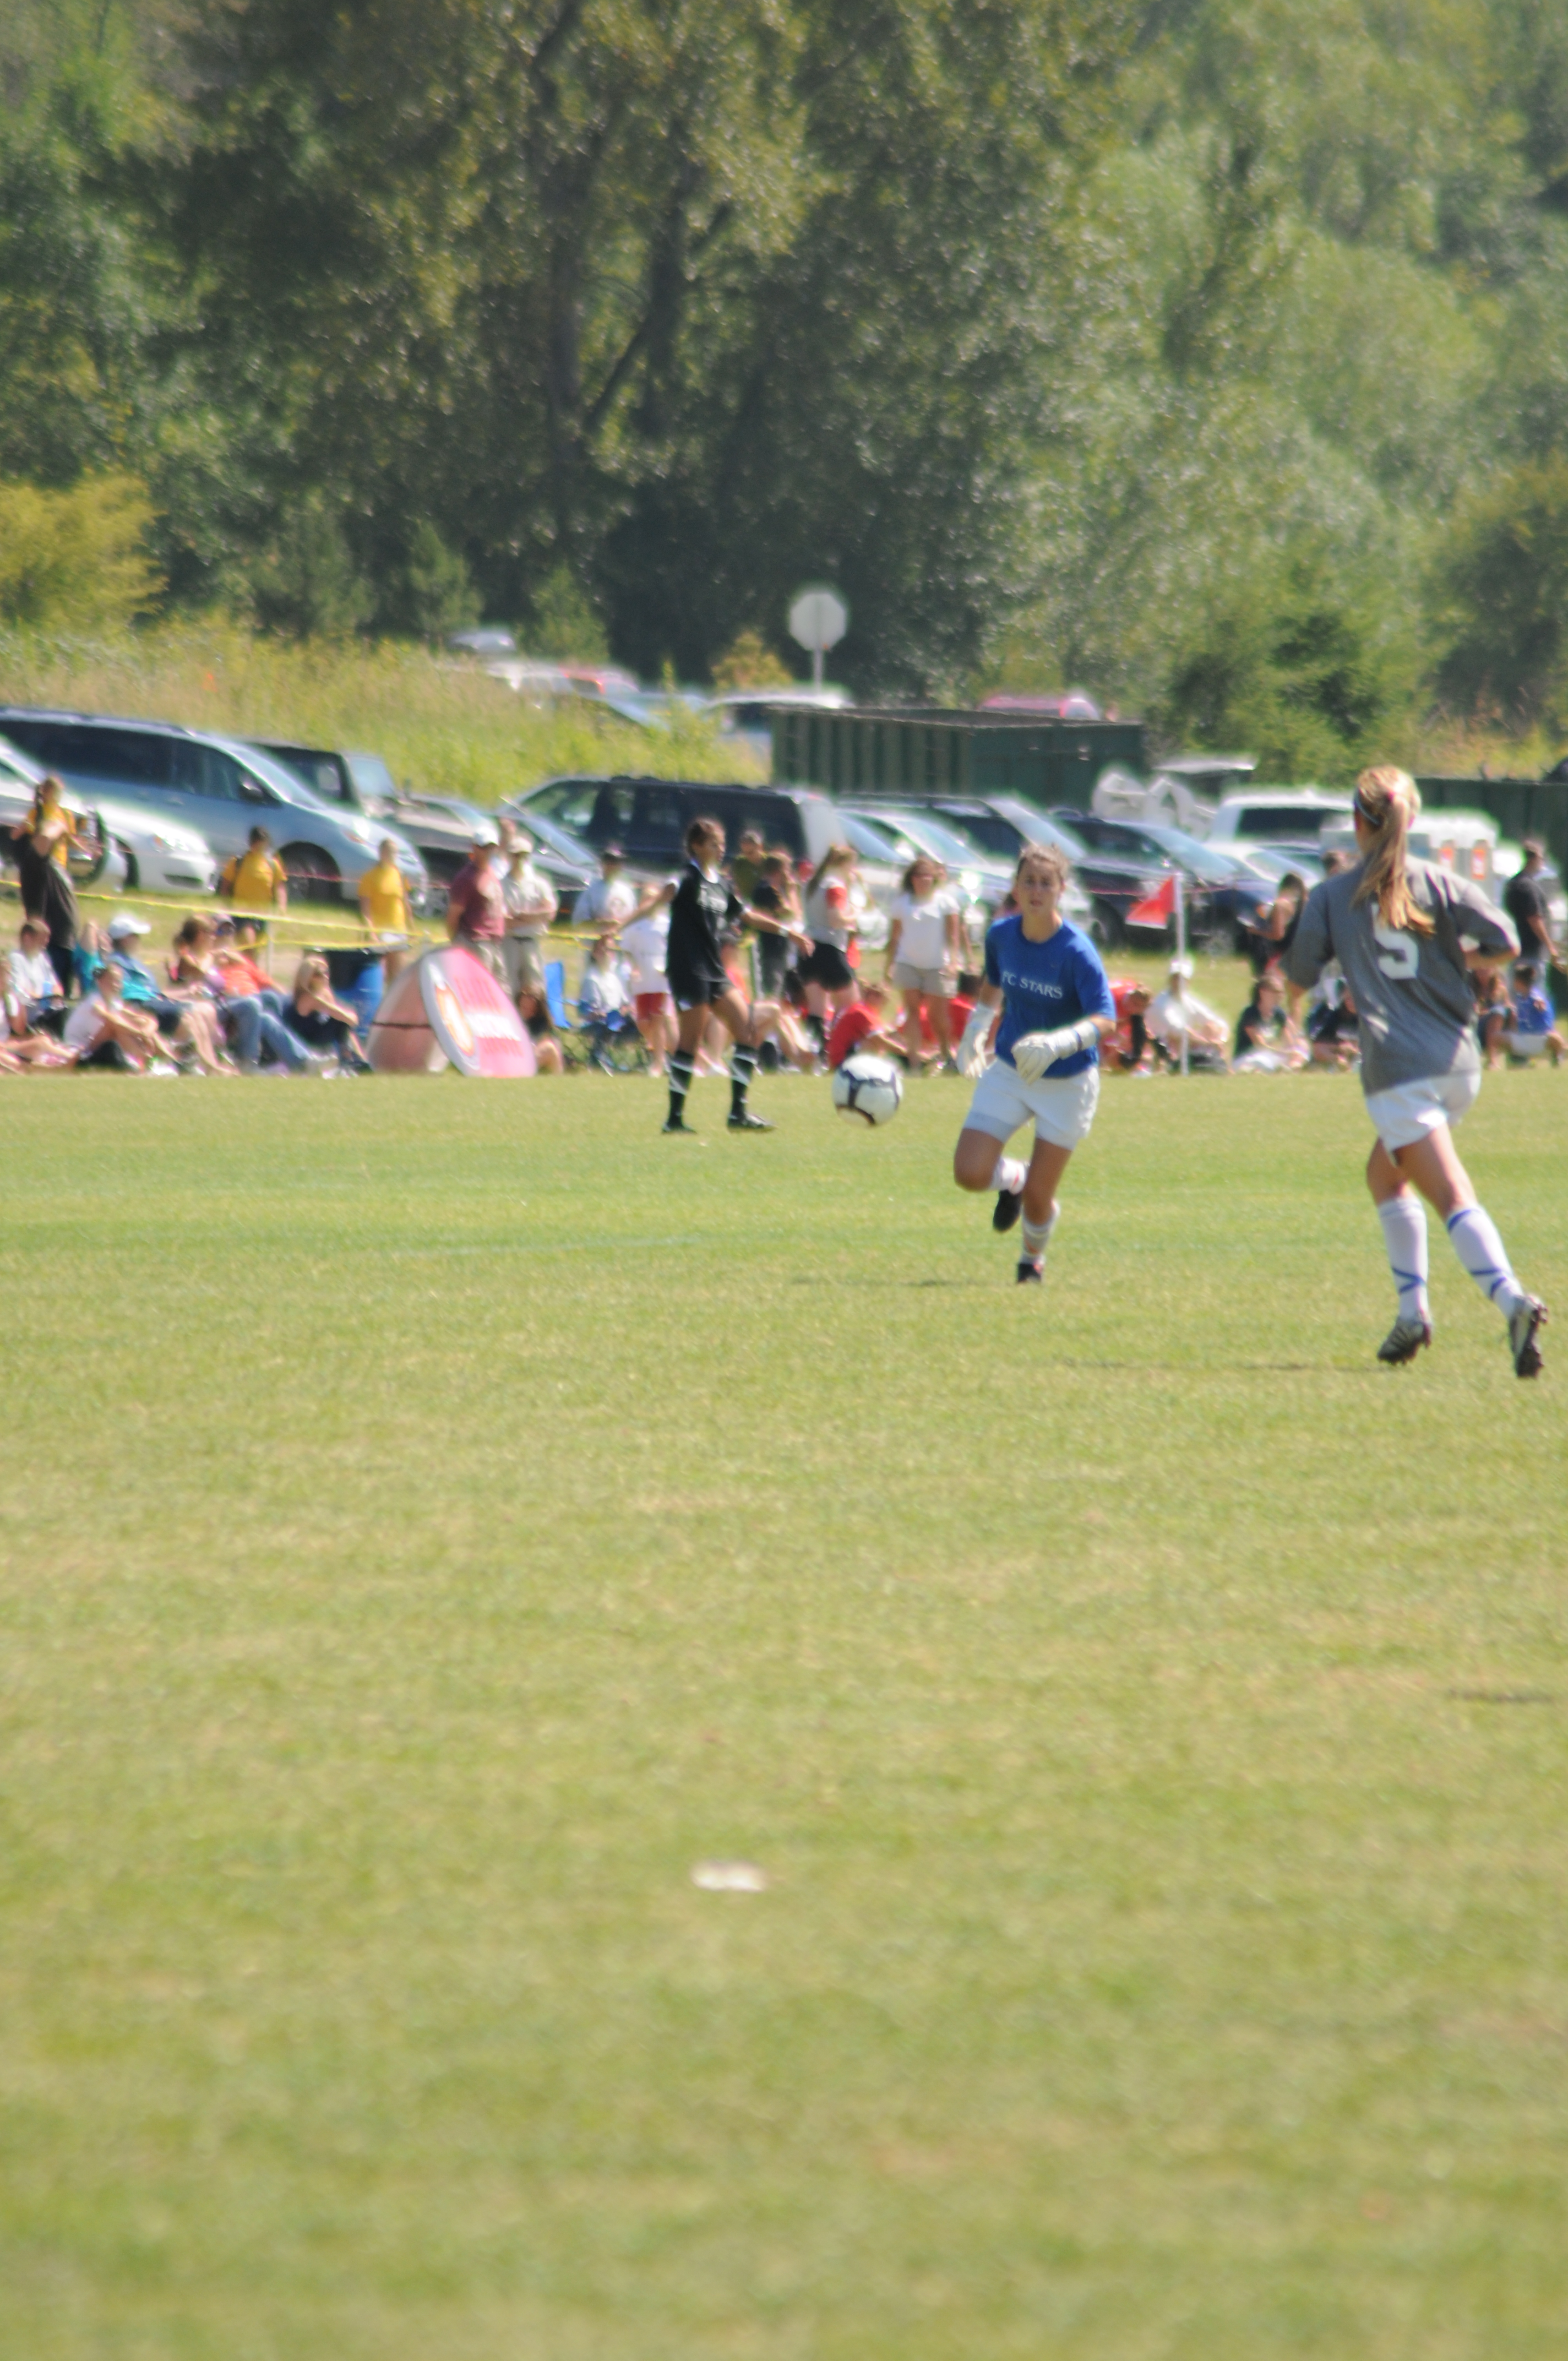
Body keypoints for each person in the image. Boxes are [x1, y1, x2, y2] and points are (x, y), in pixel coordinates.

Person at [1286, 764, 1547, 1376]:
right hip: (1458, 1063)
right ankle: (1412, 1315)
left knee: (1452, 1195)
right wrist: (1461, 957)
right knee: (1384, 1175)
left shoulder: (1334, 895)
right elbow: (1508, 944)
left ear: (1358, 822)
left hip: (1400, 1071)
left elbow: (1298, 973)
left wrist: (1306, 995)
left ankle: (1512, 1301)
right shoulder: (1442, 882)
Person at [951, 841, 1115, 1284]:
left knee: (1041, 1200)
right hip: (1011, 1070)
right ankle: (1015, 1180)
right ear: (1016, 887)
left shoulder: (1076, 950)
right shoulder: (1001, 935)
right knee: (969, 1172)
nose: (1037, 890)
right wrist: (976, 1029)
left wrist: (1060, 1042)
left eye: (1046, 883)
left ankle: (1030, 1261)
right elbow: (994, 980)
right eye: (1029, 881)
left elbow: (1106, 1018)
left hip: (1067, 1080)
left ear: (1061, 890)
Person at [661, 815, 810, 1133]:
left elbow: (749, 916)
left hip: (714, 970)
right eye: (714, 843)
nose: (721, 848)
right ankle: (674, 1119)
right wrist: (623, 923)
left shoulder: (722, 884)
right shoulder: (688, 877)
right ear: (697, 846)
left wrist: (789, 931)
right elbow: (663, 893)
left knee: (748, 1031)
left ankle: (738, 1114)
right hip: (689, 969)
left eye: (722, 842)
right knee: (690, 1042)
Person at [79, 913, 233, 1073]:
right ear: (125, 939)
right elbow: (88, 948)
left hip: (152, 1002)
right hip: (134, 1005)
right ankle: (203, 1064)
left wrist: (186, 992)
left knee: (202, 1008)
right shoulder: (106, 964)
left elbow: (158, 995)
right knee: (191, 1014)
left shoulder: (138, 965)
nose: (138, 941)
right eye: (135, 936)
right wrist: (94, 926)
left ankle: (210, 1063)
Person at [885, 856, 962, 1067]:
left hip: (937, 964)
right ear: (912, 879)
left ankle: (946, 1053)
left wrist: (954, 962)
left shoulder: (945, 902)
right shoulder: (902, 903)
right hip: (908, 962)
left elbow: (953, 935)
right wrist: (889, 965)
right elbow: (895, 936)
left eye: (927, 876)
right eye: (919, 876)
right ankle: (914, 1060)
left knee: (937, 1016)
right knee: (912, 1012)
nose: (923, 880)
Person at [9, 774, 80, 997]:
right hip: (49, 947)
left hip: (64, 946)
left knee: (61, 1001)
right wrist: (58, 825)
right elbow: (43, 839)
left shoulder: (54, 867)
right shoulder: (34, 865)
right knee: (49, 1003)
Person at [797, 843, 861, 1020]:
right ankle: (843, 1038)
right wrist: (854, 915)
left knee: (816, 1008)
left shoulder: (811, 883)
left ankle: (815, 1037)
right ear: (844, 864)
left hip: (808, 948)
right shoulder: (835, 887)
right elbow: (836, 919)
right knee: (853, 1006)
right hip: (829, 949)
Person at [618, 883, 675, 1076]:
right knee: (644, 1021)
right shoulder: (634, 925)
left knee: (658, 1018)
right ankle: (662, 1052)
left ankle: (658, 1062)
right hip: (642, 974)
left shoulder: (666, 923)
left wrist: (669, 967)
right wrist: (634, 967)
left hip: (660, 974)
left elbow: (673, 949)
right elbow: (627, 949)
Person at [498, 834, 557, 1000]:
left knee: (535, 990)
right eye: (516, 855)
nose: (519, 859)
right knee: (509, 989)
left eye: (523, 855)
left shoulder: (540, 885)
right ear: (509, 856)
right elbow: (502, 920)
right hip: (509, 943)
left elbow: (549, 914)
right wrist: (533, 917)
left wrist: (520, 916)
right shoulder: (500, 885)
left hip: (532, 942)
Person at [288, 953, 371, 1070]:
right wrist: (349, 1017)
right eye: (318, 974)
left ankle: (357, 1059)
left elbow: (348, 1018)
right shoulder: (309, 998)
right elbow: (347, 1018)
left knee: (341, 1023)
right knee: (339, 1021)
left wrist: (349, 1017)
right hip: (305, 1039)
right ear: (307, 978)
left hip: (318, 1034)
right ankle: (352, 1059)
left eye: (326, 972)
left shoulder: (325, 993)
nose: (325, 976)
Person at [1148, 958, 1229, 1069]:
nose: (1178, 983)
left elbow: (1216, 1021)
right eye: (1175, 978)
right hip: (1163, 1045)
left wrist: (1219, 1039)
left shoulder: (1188, 1000)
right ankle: (1179, 1065)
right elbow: (1178, 1031)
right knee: (1178, 1038)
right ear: (1170, 980)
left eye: (1182, 979)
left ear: (1188, 982)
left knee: (1211, 1027)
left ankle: (1218, 1063)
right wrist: (1208, 1043)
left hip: (1187, 1042)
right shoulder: (1161, 1003)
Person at [446, 837, 508, 980]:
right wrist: (456, 940)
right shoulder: (466, 878)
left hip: (495, 942)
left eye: (491, 848)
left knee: (499, 987)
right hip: (475, 942)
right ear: (474, 847)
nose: (488, 852)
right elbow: (454, 914)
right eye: (484, 848)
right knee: (480, 984)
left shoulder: (492, 873)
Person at [357, 838, 413, 979]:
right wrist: (371, 932)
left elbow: (405, 903)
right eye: (390, 852)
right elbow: (365, 909)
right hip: (379, 931)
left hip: (398, 930)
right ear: (382, 853)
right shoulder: (370, 877)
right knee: (377, 974)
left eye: (395, 853)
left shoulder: (400, 875)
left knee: (398, 975)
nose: (393, 856)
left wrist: (411, 928)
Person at [1503, 840, 1561, 974]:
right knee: (1533, 987)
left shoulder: (1513, 883)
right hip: (1530, 954)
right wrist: (1550, 947)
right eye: (1541, 858)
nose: (1542, 862)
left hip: (1514, 950)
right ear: (1534, 859)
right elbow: (1534, 919)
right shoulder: (1528, 887)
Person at [826, 980, 912, 1069]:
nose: (884, 1003)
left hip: (845, 1056)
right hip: (840, 1061)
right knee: (871, 1044)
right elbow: (879, 1040)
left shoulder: (866, 1011)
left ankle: (908, 1063)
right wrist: (908, 1053)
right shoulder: (862, 1012)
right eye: (881, 998)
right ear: (871, 996)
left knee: (889, 1034)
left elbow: (885, 1032)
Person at [1232, 972, 1302, 1070]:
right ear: (1263, 992)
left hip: (1268, 1056)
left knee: (1297, 1058)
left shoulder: (1279, 1014)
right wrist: (1283, 1053)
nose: (1281, 996)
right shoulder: (1251, 1014)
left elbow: (1288, 1041)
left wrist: (1293, 1052)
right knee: (1261, 1062)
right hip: (1247, 1058)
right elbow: (1259, 1045)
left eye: (1282, 992)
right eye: (1276, 992)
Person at [1502, 959, 1565, 1065]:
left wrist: (1540, 1005)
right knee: (1498, 1037)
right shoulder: (1520, 997)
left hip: (1540, 1037)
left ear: (1518, 981)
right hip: (1524, 1036)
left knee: (1556, 1038)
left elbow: (1540, 1003)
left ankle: (1557, 1057)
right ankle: (1518, 1057)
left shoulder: (1535, 996)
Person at [1245, 873, 1307, 977]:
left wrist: (1255, 931)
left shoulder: (1281, 905)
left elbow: (1278, 935)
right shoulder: (1301, 906)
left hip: (1279, 957)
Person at [220, 824, 288, 915]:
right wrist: (226, 905)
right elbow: (225, 885)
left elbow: (280, 887)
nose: (260, 848)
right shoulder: (238, 862)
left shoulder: (273, 864)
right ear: (251, 843)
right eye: (257, 844)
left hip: (263, 914)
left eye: (263, 845)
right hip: (239, 913)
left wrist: (282, 907)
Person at [13, 918, 65, 1032]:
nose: (44, 946)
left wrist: (55, 995)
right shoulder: (16, 959)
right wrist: (42, 998)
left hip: (48, 1010)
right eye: (41, 942)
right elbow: (20, 990)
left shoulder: (42, 958)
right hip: (30, 1014)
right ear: (27, 938)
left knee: (66, 1012)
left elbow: (56, 985)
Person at [574, 844, 639, 932]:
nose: (612, 866)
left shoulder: (627, 892)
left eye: (616, 862)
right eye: (609, 862)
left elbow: (635, 921)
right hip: (596, 939)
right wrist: (602, 924)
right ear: (602, 865)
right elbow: (579, 923)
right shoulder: (591, 891)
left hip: (621, 939)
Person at [1102, 977, 1152, 1073]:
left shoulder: (1135, 1006)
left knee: (1140, 1039)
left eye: (1143, 1007)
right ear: (1131, 997)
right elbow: (1103, 1026)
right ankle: (1104, 1065)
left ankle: (1138, 1065)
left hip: (1117, 1020)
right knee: (1109, 1043)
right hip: (1094, 1016)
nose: (1138, 1010)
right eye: (1136, 1005)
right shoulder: (1111, 999)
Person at [1307, 981, 1360, 1067]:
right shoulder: (1337, 1015)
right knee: (1319, 1049)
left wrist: (1354, 1048)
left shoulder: (1368, 1017)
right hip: (1342, 1052)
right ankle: (1341, 1064)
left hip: (1363, 1054)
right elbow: (1319, 1043)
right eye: (1348, 999)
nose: (1351, 1002)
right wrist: (1340, 1047)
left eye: (1354, 998)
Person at [516, 986, 565, 1074]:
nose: (526, 1012)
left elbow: (537, 1043)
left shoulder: (542, 1025)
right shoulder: (514, 1020)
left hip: (531, 1059)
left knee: (550, 1048)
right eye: (523, 1007)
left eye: (530, 1010)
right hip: (516, 1058)